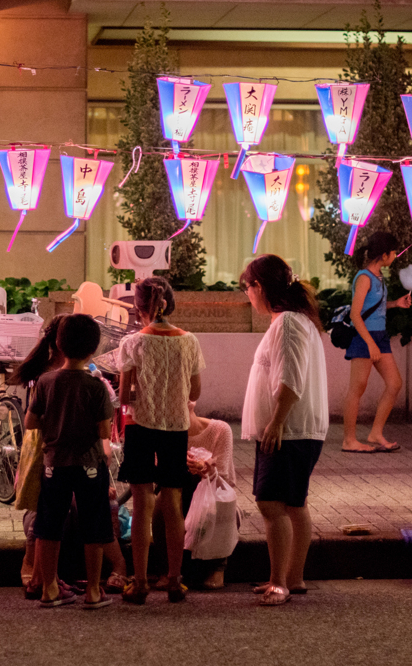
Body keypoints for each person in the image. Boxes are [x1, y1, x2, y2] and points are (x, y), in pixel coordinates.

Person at [240, 254, 328, 606]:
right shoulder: (294, 320)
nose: (247, 295)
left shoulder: (289, 323)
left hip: (289, 429)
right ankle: (293, 578)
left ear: (259, 286)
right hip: (296, 428)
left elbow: (289, 379)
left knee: (270, 503)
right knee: (293, 503)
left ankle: (280, 582)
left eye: (247, 288)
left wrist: (276, 421)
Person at [117, 277, 205, 604]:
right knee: (173, 504)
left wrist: (144, 393)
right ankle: (174, 580)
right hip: (176, 427)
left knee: (141, 504)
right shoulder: (189, 341)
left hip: (141, 426)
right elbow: (194, 392)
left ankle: (139, 582)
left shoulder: (133, 343)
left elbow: (125, 395)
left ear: (138, 307)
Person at [25, 314, 115, 609]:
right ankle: (92, 590)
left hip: (54, 463)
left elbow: (30, 422)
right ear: (94, 348)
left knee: (49, 525)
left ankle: (49, 588)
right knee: (94, 525)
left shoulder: (45, 381)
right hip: (89, 464)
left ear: (59, 345)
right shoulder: (96, 385)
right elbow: (103, 431)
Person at [153, 400, 236, 590]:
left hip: (212, 491)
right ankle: (167, 570)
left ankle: (217, 568)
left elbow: (224, 479)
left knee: (220, 506)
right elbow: (158, 473)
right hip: (178, 492)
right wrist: (178, 465)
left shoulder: (220, 429)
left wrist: (207, 470)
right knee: (162, 501)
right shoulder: (165, 433)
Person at [341, 231, 411, 453]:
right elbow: (355, 314)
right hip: (365, 338)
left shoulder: (379, 276)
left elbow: (375, 307)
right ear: (384, 254)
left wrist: (395, 304)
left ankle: (375, 433)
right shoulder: (364, 277)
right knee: (357, 388)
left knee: (394, 383)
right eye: (393, 253)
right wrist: (370, 343)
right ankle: (349, 440)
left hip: (379, 336)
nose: (395, 256)